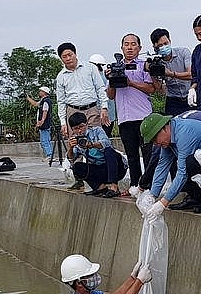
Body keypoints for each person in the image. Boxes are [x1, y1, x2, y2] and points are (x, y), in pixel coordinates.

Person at [141, 113, 201, 215]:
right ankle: (195, 198)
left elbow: (182, 173)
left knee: (187, 163)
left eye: (155, 139)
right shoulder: (168, 139)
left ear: (164, 128)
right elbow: (162, 165)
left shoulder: (184, 133)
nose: (156, 144)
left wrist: (163, 203)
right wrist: (152, 195)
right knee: (181, 163)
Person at [106, 34, 154, 192]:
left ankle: (149, 186)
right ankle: (135, 186)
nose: (130, 47)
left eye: (133, 44)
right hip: (125, 118)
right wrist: (112, 78)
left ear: (139, 48)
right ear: (121, 48)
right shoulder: (115, 67)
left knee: (148, 154)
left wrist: (131, 83)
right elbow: (111, 95)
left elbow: (151, 88)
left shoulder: (144, 66)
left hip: (143, 116)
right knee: (132, 155)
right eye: (126, 44)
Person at [66, 112, 127, 198]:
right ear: (72, 129)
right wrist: (70, 148)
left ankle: (114, 187)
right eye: (76, 128)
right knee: (77, 167)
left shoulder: (97, 131)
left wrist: (91, 145)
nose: (79, 130)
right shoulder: (75, 140)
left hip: (117, 168)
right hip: (101, 169)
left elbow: (107, 143)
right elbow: (71, 159)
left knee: (108, 151)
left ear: (87, 124)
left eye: (81, 126)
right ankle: (100, 188)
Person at [56, 42, 110, 138]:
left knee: (96, 140)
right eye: (64, 56)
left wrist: (104, 107)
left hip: (92, 110)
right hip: (73, 112)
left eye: (70, 55)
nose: (68, 58)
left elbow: (100, 88)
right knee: (76, 143)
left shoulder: (90, 68)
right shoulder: (60, 77)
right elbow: (61, 101)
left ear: (75, 54)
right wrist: (63, 123)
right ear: (61, 59)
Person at [150, 28, 192, 116]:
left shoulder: (183, 52)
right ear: (155, 47)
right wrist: (152, 70)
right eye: (160, 45)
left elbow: (191, 74)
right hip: (173, 100)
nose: (164, 47)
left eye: (166, 43)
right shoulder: (158, 62)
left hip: (190, 96)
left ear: (170, 41)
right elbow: (158, 87)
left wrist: (171, 74)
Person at [89, 54, 117, 138]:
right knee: (106, 138)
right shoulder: (107, 77)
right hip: (110, 115)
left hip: (99, 115)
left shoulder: (94, 77)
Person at [26, 86, 53, 161]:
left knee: (45, 140)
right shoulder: (43, 100)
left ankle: (49, 155)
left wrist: (41, 121)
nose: (39, 92)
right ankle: (49, 155)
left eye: (41, 91)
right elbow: (35, 104)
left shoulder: (46, 101)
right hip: (44, 123)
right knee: (45, 140)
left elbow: (45, 111)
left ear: (44, 92)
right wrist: (28, 98)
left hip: (45, 124)